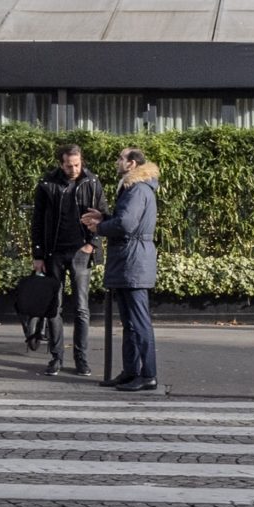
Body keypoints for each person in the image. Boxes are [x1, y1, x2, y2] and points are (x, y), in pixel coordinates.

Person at [27, 141, 104, 377]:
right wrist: (38, 255)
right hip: (54, 253)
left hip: (81, 251)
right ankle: (57, 357)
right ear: (61, 163)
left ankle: (81, 359)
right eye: (69, 166)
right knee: (54, 308)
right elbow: (37, 221)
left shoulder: (92, 182)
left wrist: (93, 244)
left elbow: (102, 214)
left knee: (81, 308)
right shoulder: (47, 184)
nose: (74, 169)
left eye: (77, 165)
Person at [92, 147, 161, 393]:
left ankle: (148, 374)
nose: (117, 161)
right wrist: (104, 218)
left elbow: (127, 224)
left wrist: (99, 228)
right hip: (130, 261)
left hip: (132, 261)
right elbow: (124, 220)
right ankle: (132, 371)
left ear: (132, 164)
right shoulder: (136, 188)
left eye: (121, 158)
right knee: (130, 323)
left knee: (139, 322)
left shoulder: (137, 189)